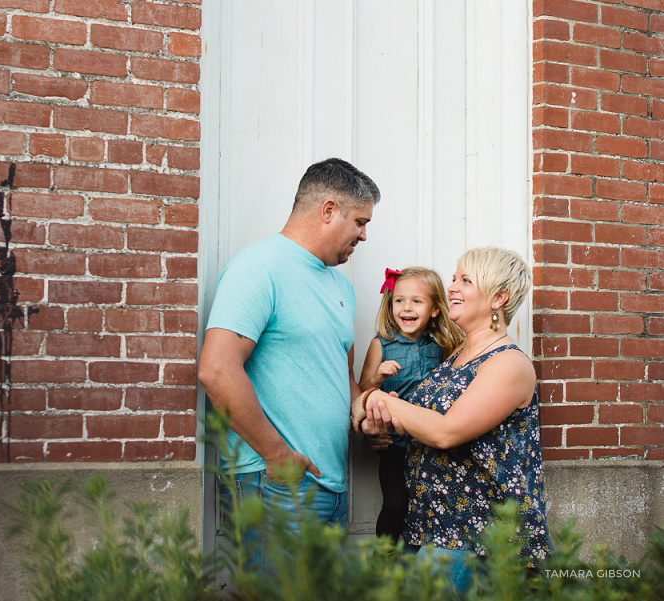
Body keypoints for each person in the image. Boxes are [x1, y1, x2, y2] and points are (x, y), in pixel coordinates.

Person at [198, 158, 380, 537]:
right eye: (360, 222)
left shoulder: (341, 286)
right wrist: (278, 456)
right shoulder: (258, 268)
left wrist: (366, 413)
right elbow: (216, 369)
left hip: (331, 486)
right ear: (329, 210)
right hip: (275, 485)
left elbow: (339, 377)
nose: (363, 236)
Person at [353, 247, 552, 592]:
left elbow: (446, 431)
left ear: (499, 298)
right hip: (429, 524)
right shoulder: (457, 352)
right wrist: (381, 423)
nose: (453, 287)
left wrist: (372, 397)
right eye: (454, 278)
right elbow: (423, 419)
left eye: (466, 280)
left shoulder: (509, 363)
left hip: (474, 537)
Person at [355, 266, 462, 543]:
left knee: (431, 504)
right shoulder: (382, 344)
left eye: (417, 301)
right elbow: (363, 388)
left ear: (435, 309)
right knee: (395, 503)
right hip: (395, 445)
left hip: (430, 442)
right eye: (399, 300)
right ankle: (383, 557)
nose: (406, 308)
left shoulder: (443, 344)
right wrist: (378, 376)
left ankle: (420, 560)